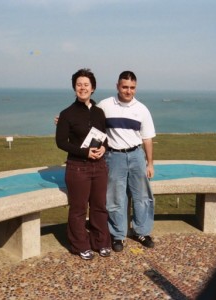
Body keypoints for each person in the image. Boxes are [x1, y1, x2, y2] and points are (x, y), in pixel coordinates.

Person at [55, 68, 111, 260]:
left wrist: (104, 147)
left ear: (93, 88)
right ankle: (80, 245)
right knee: (78, 209)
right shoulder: (66, 114)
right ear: (74, 88)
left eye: (86, 84)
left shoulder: (99, 112)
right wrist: (84, 152)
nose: (82, 88)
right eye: (79, 84)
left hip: (100, 167)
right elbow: (61, 142)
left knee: (99, 206)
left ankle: (101, 242)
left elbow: (105, 137)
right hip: (77, 167)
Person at [98, 71, 156, 252]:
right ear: (117, 86)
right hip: (114, 157)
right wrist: (63, 120)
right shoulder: (105, 105)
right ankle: (118, 235)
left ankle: (142, 231)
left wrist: (150, 163)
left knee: (142, 196)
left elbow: (147, 139)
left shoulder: (142, 109)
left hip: (137, 155)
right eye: (125, 87)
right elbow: (89, 122)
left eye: (132, 88)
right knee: (115, 197)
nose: (128, 91)